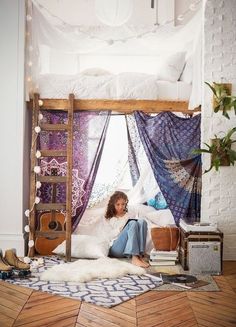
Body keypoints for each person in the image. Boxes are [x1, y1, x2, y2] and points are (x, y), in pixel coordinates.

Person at [104, 191, 149, 268]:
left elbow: (134, 232)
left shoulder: (128, 215)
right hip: (115, 249)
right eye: (118, 204)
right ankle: (134, 257)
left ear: (126, 204)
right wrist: (122, 228)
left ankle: (140, 255)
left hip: (127, 248)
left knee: (142, 221)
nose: (121, 207)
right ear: (113, 205)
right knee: (132, 223)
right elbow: (108, 236)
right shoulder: (109, 218)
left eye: (123, 204)